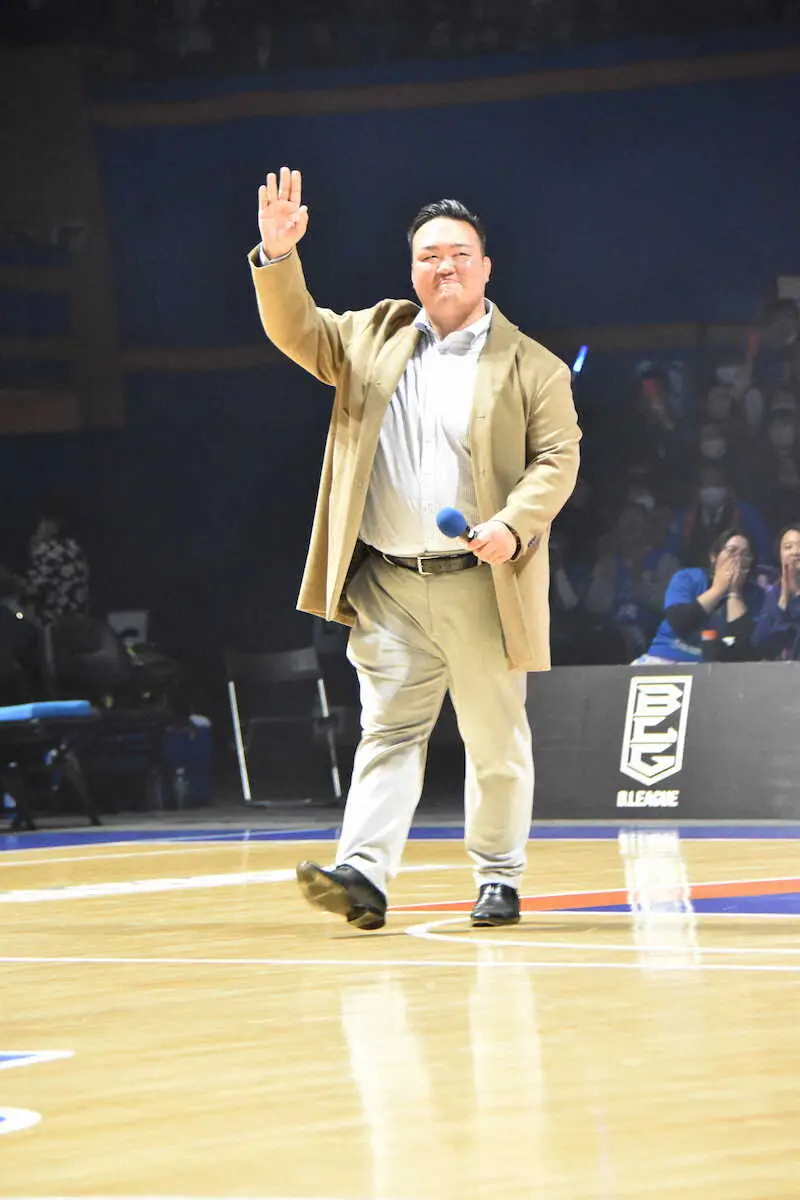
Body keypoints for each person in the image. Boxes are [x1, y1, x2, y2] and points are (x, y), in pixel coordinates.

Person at [249, 167, 580, 930]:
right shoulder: (372, 336)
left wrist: (512, 524)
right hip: (389, 584)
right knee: (388, 731)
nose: (445, 266)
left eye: (460, 254)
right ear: (412, 270)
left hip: (482, 582)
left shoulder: (533, 366)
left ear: (487, 267)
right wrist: (279, 256)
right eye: (429, 255)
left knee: (494, 740)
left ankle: (498, 875)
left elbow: (556, 460)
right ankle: (363, 874)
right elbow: (296, 329)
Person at [634, 528, 764, 665]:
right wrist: (718, 589)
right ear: (714, 556)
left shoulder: (756, 595)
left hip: (711, 669)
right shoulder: (688, 577)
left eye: (745, 554)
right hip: (663, 658)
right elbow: (679, 621)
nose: (737, 559)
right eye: (732, 551)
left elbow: (746, 647)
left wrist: (734, 593)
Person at [22, 496, 90, 627]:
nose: (39, 528)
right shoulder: (75, 549)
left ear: (54, 526)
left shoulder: (47, 552)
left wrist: (11, 581)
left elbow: (33, 591)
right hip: (79, 622)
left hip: (53, 625)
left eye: (42, 522)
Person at [753, 525, 800, 661]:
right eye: (788, 547)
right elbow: (759, 641)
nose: (796, 552)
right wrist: (783, 598)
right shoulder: (774, 593)